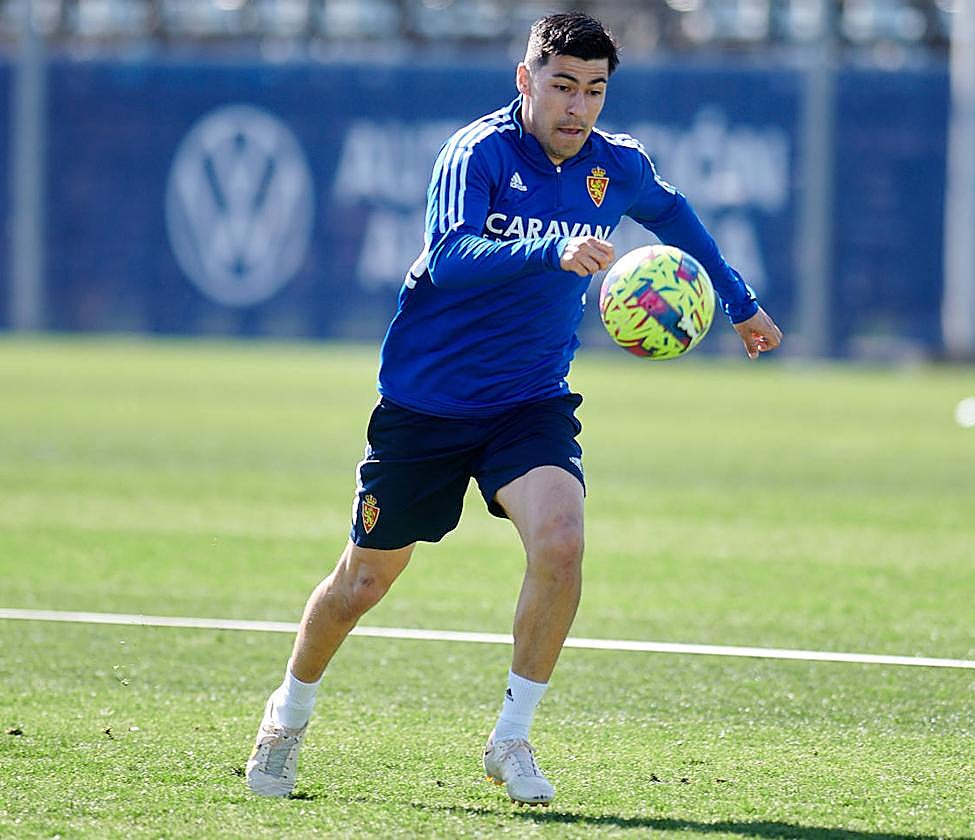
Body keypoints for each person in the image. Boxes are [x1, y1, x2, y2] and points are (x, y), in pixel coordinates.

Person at [246, 11, 783, 806]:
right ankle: (286, 717)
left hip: (528, 400)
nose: (578, 107)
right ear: (525, 79)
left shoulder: (617, 167)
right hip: (426, 405)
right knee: (362, 582)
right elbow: (452, 256)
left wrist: (739, 303)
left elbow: (681, 223)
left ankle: (511, 736)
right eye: (562, 85)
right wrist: (551, 248)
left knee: (561, 540)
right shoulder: (478, 153)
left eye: (594, 90)